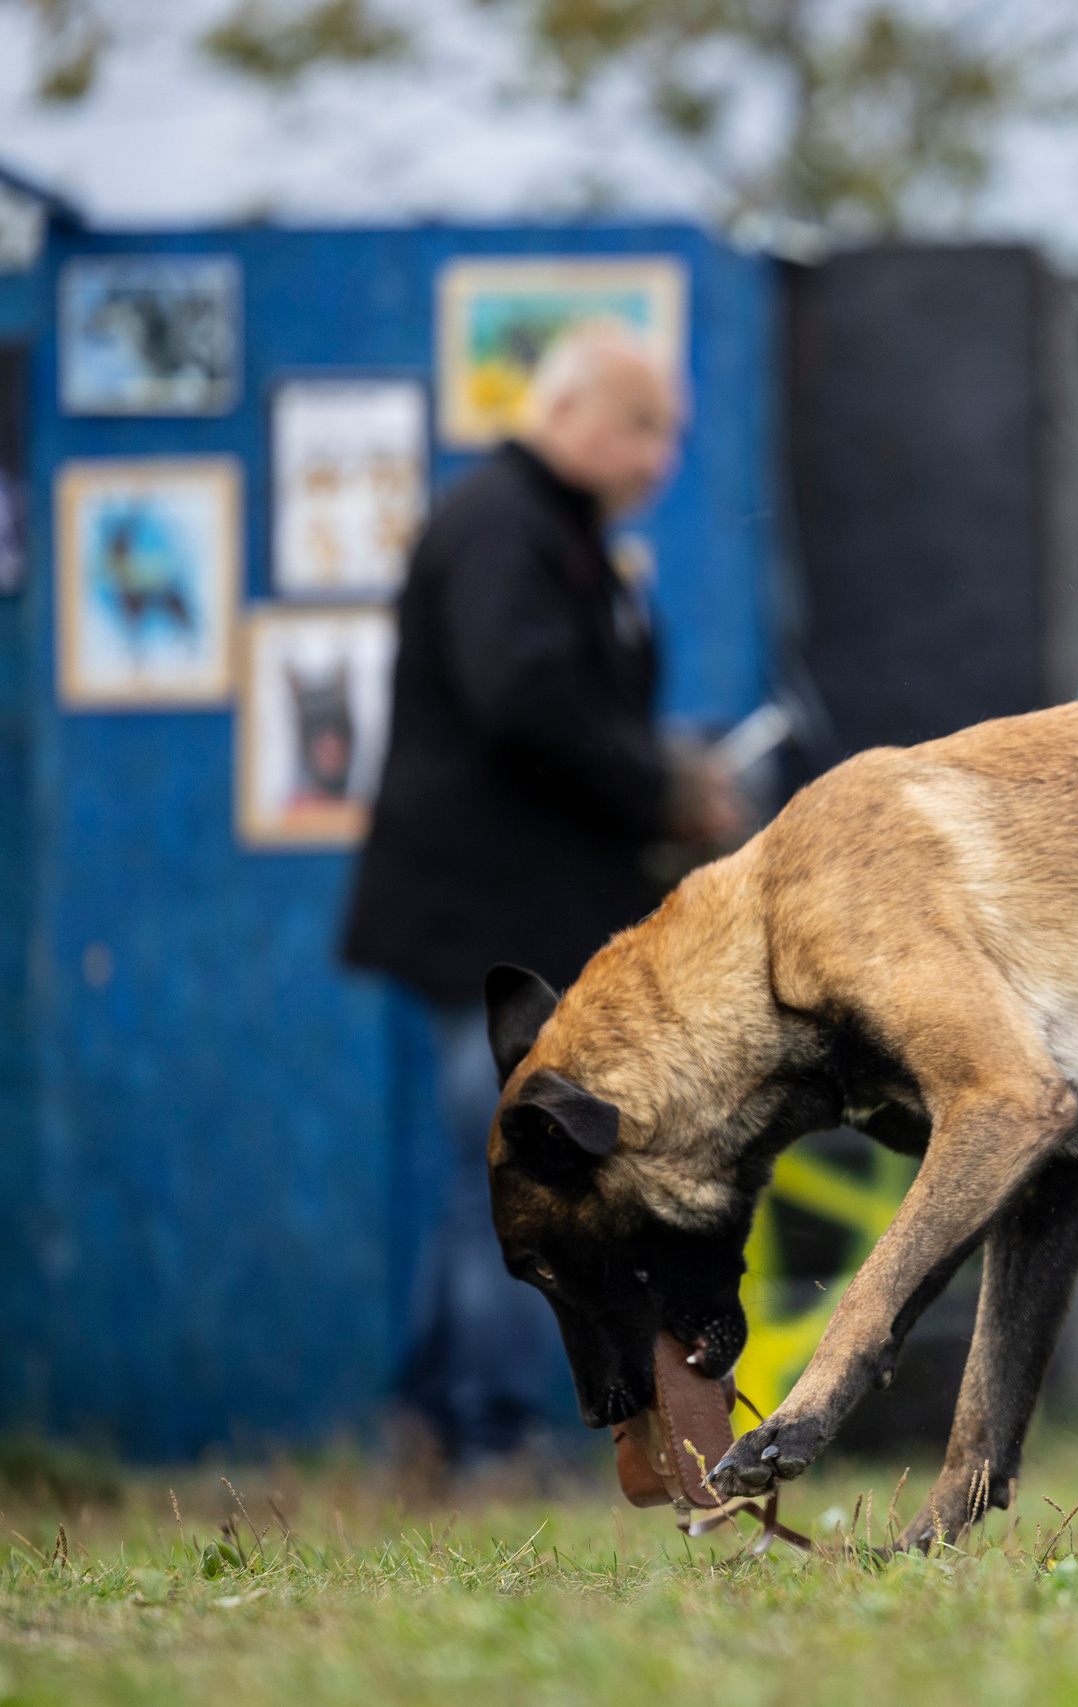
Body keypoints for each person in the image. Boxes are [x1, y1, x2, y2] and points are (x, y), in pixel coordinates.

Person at [343, 321, 743, 1472]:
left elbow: (565, 706)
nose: (660, 456)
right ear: (563, 412)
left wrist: (658, 783)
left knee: (483, 1179)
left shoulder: (556, 534)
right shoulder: (502, 529)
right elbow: (521, 702)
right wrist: (658, 786)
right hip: (488, 926)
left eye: (670, 432)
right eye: (641, 425)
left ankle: (434, 1421)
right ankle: (482, 1435)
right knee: (522, 1184)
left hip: (515, 913)